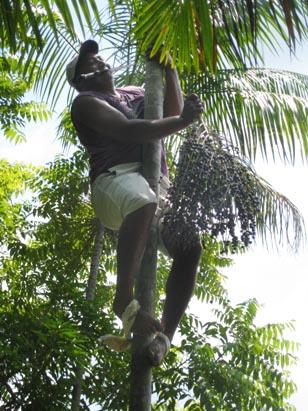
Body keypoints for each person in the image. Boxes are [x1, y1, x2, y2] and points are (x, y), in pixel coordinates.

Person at [66, 40, 203, 366]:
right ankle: (123, 299)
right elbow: (129, 131)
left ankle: (164, 338)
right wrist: (184, 122)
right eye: (90, 65)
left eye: (99, 59)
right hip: (115, 181)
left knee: (190, 245)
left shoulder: (134, 92)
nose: (99, 63)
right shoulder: (85, 102)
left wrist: (169, 66)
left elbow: (170, 110)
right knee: (143, 202)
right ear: (81, 80)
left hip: (156, 186)